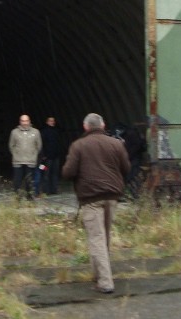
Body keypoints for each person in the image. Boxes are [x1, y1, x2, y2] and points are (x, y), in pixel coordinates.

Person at [62, 112, 130, 294]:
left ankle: (105, 282)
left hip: (91, 197)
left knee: (96, 237)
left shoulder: (78, 146)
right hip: (113, 196)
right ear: (103, 125)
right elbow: (127, 168)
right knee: (104, 236)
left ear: (85, 127)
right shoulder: (116, 144)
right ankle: (98, 273)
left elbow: (68, 173)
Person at [8, 114, 42, 199]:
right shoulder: (14, 132)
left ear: (29, 121)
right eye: (23, 121)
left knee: (29, 181)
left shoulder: (36, 132)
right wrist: (16, 154)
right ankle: (17, 198)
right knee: (17, 181)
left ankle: (30, 198)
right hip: (18, 161)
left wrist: (33, 154)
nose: (25, 123)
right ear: (20, 122)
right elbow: (11, 145)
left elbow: (39, 145)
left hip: (30, 161)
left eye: (26, 121)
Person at [39, 116, 62, 195]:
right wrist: (43, 155)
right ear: (47, 122)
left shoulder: (57, 131)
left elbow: (59, 143)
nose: (52, 122)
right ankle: (46, 190)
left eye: (53, 121)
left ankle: (54, 189)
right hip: (47, 157)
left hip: (56, 156)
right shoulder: (44, 132)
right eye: (50, 121)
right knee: (46, 173)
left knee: (55, 173)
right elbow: (42, 144)